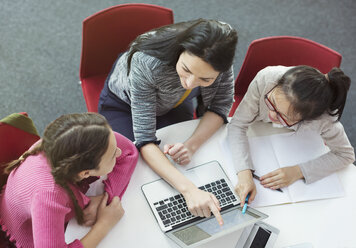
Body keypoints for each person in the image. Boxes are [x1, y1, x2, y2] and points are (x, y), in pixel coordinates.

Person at [98, 18, 238, 225]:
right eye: (186, 69)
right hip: (124, 105)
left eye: (205, 79)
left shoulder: (219, 58)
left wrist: (191, 146)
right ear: (180, 50)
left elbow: (220, 106)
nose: (190, 83)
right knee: (132, 168)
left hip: (173, 103)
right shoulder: (147, 62)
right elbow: (144, 138)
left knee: (177, 164)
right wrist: (189, 190)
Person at [0, 113, 139, 248]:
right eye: (113, 155)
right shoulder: (48, 195)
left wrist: (106, 197)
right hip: (29, 236)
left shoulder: (84, 139)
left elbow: (129, 151)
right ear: (85, 173)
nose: (119, 153)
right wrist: (104, 225)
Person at [228, 65, 355, 205]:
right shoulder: (266, 79)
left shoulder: (324, 119)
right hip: (258, 131)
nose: (271, 114)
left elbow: (346, 154)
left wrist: (299, 171)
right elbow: (237, 124)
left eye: (283, 117)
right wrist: (244, 172)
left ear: (308, 120)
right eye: (271, 102)